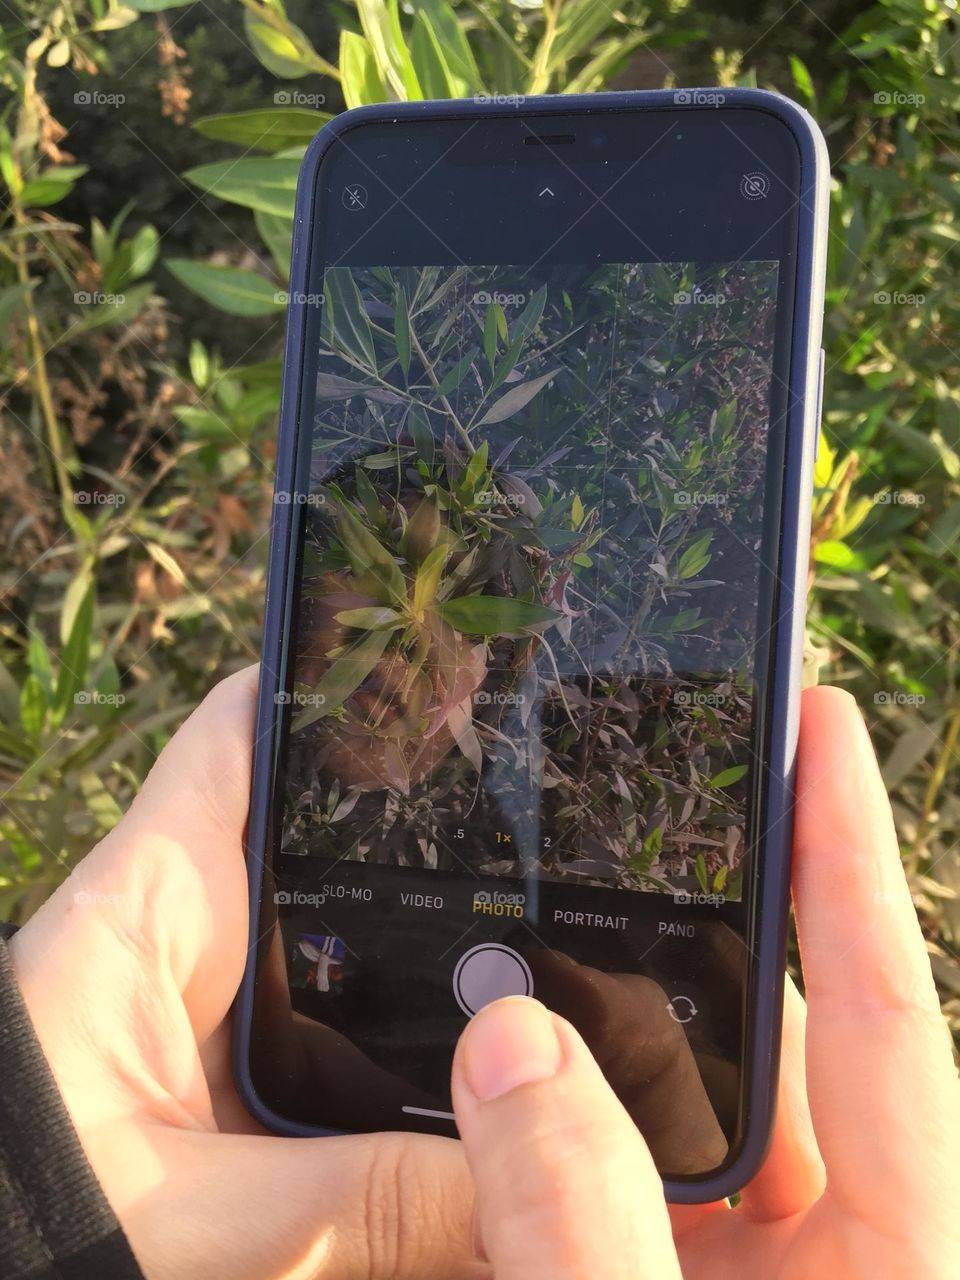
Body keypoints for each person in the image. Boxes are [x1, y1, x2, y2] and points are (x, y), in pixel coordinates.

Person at [1, 669, 957, 1279]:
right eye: (378, 577)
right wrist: (42, 1202)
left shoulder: (502, 814)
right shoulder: (283, 875)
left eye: (459, 612)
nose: (412, 645)